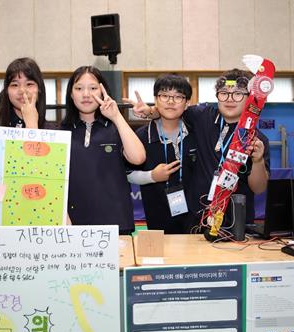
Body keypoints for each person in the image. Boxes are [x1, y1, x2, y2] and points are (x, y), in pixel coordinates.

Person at [126, 69, 270, 231]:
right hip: (196, 220)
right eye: (224, 93)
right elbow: (173, 107)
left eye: (238, 94)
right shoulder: (202, 116)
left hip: (236, 222)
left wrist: (257, 161)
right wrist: (151, 112)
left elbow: (259, 188)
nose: (230, 99)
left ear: (250, 98)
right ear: (217, 95)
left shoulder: (256, 139)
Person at [61, 66, 145, 234]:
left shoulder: (116, 128)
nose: (86, 94)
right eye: (79, 88)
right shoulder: (60, 133)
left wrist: (116, 116)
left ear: (102, 92)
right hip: (73, 227)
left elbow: (138, 158)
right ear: (71, 94)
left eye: (93, 88)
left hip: (115, 225)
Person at [127, 74, 198, 233]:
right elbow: (127, 173)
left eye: (178, 96)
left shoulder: (197, 133)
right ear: (156, 100)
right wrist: (152, 176)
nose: (171, 101)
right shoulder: (142, 136)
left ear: (187, 103)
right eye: (164, 95)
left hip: (196, 220)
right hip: (157, 218)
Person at [0, 57, 49, 129]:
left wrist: (32, 126)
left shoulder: (54, 131)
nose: (22, 91)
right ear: (6, 90)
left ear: (39, 88)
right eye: (15, 85)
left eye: (29, 84)